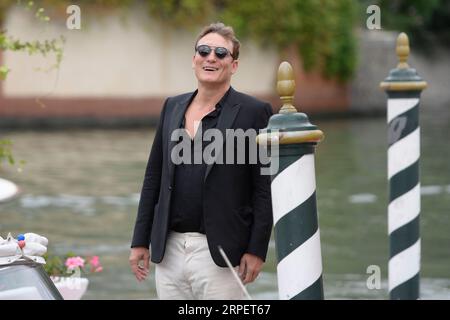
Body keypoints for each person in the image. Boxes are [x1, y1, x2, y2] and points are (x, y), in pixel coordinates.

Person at [129, 22, 273, 300]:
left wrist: (256, 250)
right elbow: (153, 178)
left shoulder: (255, 112)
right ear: (194, 58)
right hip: (168, 249)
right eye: (204, 50)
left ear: (234, 65)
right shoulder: (172, 106)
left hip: (221, 251)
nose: (211, 58)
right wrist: (139, 241)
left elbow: (264, 188)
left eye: (221, 53)